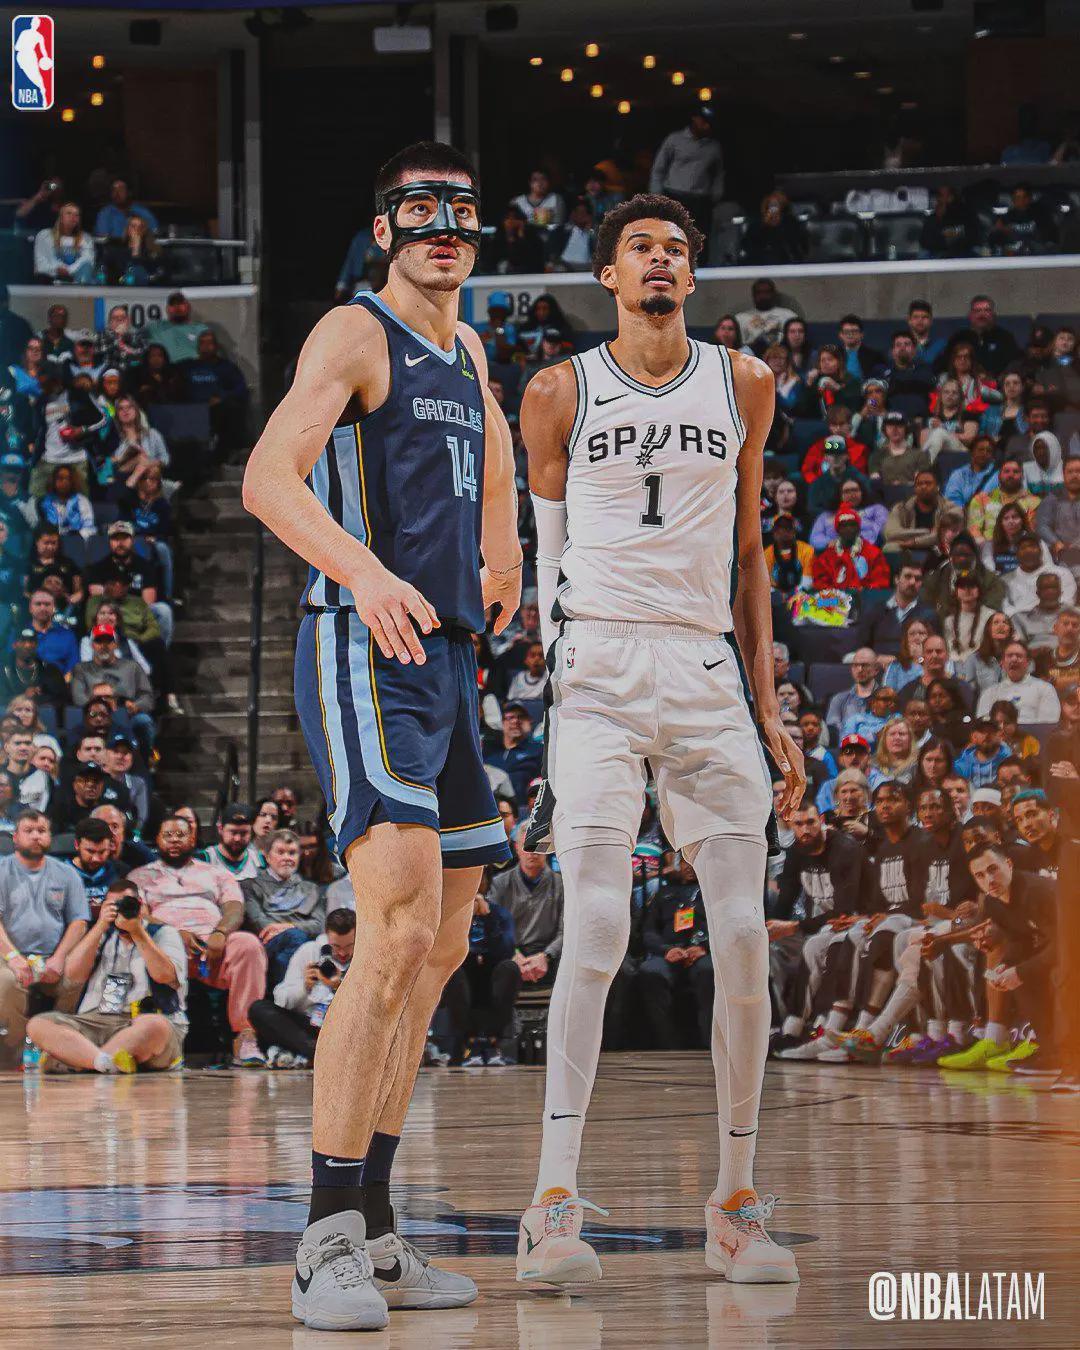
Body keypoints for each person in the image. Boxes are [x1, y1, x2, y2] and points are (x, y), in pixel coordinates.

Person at [244, 142, 520, 1325]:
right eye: (421, 208)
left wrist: (508, 552)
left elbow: (494, 458)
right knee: (395, 926)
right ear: (384, 229)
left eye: (460, 208)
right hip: (366, 643)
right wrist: (363, 574)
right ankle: (324, 1241)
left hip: (447, 654)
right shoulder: (356, 333)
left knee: (442, 946)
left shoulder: (470, 350)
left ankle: (381, 1230)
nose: (443, 225)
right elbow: (267, 479)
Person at [516, 191, 803, 1287]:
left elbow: (751, 554)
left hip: (703, 665)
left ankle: (735, 1202)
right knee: (594, 929)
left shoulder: (744, 382)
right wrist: (560, 679)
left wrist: (768, 706)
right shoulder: (559, 389)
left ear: (693, 274)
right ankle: (551, 1203)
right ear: (608, 274)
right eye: (640, 247)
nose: (660, 262)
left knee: (744, 938)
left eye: (677, 249)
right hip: (598, 662)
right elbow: (546, 559)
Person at [129, 815, 268, 1063]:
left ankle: (246, 1036)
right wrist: (173, 933)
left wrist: (221, 932)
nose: (174, 840)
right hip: (164, 946)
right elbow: (140, 916)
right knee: (146, 946)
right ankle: (154, 1041)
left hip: (211, 944)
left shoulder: (216, 873)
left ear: (192, 839)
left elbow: (234, 907)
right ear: (157, 840)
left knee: (248, 945)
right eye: (167, 835)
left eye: (180, 835)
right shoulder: (139, 876)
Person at [26, 877, 186, 1074]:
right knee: (39, 1024)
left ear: (140, 905)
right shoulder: (102, 934)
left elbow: (164, 976)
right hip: (97, 1021)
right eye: (113, 905)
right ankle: (105, 1062)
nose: (119, 910)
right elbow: (72, 975)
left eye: (125, 904)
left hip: (142, 1019)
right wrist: (101, 925)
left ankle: (81, 1060)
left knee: (155, 1026)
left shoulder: (163, 933)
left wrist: (137, 932)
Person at [0, 810, 89, 1062]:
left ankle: (56, 1045)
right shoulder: (2, 870)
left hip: (53, 956)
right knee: (5, 983)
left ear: (50, 836)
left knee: (77, 972)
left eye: (41, 831)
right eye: (29, 831)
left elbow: (79, 922)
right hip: (9, 956)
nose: (36, 836)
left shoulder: (67, 873)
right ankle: (17, 1046)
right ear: (15, 837)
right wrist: (14, 958)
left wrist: (59, 957)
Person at [248, 908, 357, 1067]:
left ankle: (314, 1054)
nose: (342, 953)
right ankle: (321, 1054)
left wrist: (341, 987)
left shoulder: (366, 957)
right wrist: (305, 987)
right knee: (259, 1009)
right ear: (327, 937)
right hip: (310, 1026)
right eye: (336, 946)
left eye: (349, 946)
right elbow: (281, 1000)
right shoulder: (309, 951)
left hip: (349, 1027)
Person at [241, 828, 325, 989]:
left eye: (292, 853)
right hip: (266, 947)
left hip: (303, 943)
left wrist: (289, 926)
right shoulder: (250, 885)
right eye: (280, 852)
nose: (287, 858)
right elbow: (260, 923)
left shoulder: (310, 889)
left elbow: (319, 925)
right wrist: (292, 929)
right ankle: (291, 991)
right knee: (295, 937)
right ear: (267, 856)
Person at [648, 105, 724, 258]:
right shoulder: (674, 140)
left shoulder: (713, 147)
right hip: (674, 195)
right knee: (672, 237)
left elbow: (718, 173)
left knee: (699, 240)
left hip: (700, 199)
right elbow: (659, 168)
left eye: (709, 123)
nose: (706, 126)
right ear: (695, 119)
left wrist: (716, 194)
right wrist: (656, 196)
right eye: (703, 122)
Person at [976, 638, 1061, 724]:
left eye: (1019, 656)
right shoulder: (990, 693)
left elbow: (1048, 724)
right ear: (1002, 663)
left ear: (1028, 662)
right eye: (1009, 656)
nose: (1014, 659)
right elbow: (983, 725)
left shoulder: (1045, 689)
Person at [812, 507, 891, 591]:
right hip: (836, 598)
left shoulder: (874, 553)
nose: (848, 529)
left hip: (866, 597)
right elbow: (820, 584)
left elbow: (880, 582)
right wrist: (837, 595)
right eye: (843, 526)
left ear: (858, 529)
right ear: (837, 530)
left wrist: (864, 592)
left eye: (852, 525)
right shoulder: (826, 557)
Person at [883, 469, 950, 554]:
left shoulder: (948, 508)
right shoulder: (900, 508)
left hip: (937, 548)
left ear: (937, 487)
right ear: (915, 488)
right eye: (919, 484)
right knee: (890, 548)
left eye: (928, 483)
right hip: (908, 548)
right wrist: (928, 531)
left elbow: (944, 535)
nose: (923, 486)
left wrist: (915, 542)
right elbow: (890, 533)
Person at [1036, 455, 1080, 571]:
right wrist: (1055, 542)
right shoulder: (1052, 498)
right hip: (1059, 556)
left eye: (1078, 471)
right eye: (1070, 472)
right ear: (1063, 475)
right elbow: (1042, 525)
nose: (1074, 475)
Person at [33, 203, 96, 284]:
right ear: (60, 217)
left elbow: (88, 260)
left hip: (76, 279)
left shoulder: (86, 238)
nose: (73, 217)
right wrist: (57, 269)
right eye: (69, 213)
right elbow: (40, 264)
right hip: (49, 280)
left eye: (77, 215)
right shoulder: (45, 235)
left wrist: (68, 271)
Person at [140, 292, 209, 365]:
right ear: (167, 309)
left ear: (188, 307)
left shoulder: (200, 329)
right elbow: (134, 340)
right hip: (164, 369)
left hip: (193, 369)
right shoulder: (154, 327)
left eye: (180, 303)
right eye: (172, 304)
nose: (177, 307)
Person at [198, 802, 262, 879]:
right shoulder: (203, 860)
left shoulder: (259, 861)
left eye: (243, 833)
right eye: (233, 832)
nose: (237, 838)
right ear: (220, 829)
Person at [734, 279, 798, 353]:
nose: (763, 296)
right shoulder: (740, 318)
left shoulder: (788, 315)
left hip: (780, 355)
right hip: (751, 356)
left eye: (767, 292)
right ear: (753, 295)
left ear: (773, 294)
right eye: (759, 292)